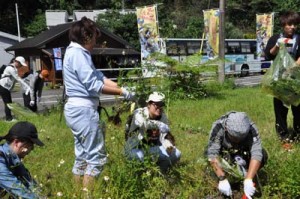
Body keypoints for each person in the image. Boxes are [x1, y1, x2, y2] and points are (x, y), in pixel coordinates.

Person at [63, 16, 135, 191]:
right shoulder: (78, 54)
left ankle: (77, 193)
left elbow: (98, 76)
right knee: (96, 157)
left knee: (82, 156)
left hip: (76, 110)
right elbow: (94, 85)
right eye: (94, 37)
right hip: (83, 110)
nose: (96, 41)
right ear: (86, 36)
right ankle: (88, 195)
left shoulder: (76, 52)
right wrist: (123, 93)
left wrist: (120, 86)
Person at [205, 111, 268, 199]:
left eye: (241, 138)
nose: (237, 141)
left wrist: (249, 179)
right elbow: (212, 154)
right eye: (234, 138)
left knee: (263, 155)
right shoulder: (218, 127)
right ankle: (222, 183)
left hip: (242, 153)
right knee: (207, 156)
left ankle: (246, 176)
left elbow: (256, 153)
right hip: (224, 153)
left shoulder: (251, 128)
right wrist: (222, 178)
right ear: (226, 129)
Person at [265, 11, 300, 141]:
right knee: (280, 111)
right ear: (283, 24)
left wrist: (291, 69)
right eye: (290, 24)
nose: (292, 27)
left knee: (298, 110)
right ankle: (283, 137)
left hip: (296, 80)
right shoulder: (275, 38)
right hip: (279, 81)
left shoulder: (299, 38)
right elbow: (269, 55)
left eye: (295, 24)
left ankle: (297, 136)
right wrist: (277, 45)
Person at [125, 92, 181, 173]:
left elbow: (165, 136)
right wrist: (158, 124)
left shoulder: (162, 116)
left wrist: (169, 145)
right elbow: (143, 123)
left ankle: (160, 174)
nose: (159, 107)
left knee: (176, 154)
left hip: (152, 148)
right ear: (149, 104)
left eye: (161, 104)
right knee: (139, 156)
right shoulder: (139, 113)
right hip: (134, 149)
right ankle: (139, 176)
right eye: (156, 104)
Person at [0, 121, 44, 198]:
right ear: (17, 142)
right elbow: (18, 189)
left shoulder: (12, 157)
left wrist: (41, 195)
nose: (31, 150)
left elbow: (27, 180)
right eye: (30, 146)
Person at [0, 57, 32, 121]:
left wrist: (11, 89)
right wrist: (27, 86)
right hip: (2, 86)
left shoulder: (14, 69)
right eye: (21, 64)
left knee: (9, 103)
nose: (21, 66)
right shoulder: (10, 68)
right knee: (8, 103)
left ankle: (9, 118)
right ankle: (8, 119)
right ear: (17, 62)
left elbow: (14, 81)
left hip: (5, 87)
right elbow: (18, 79)